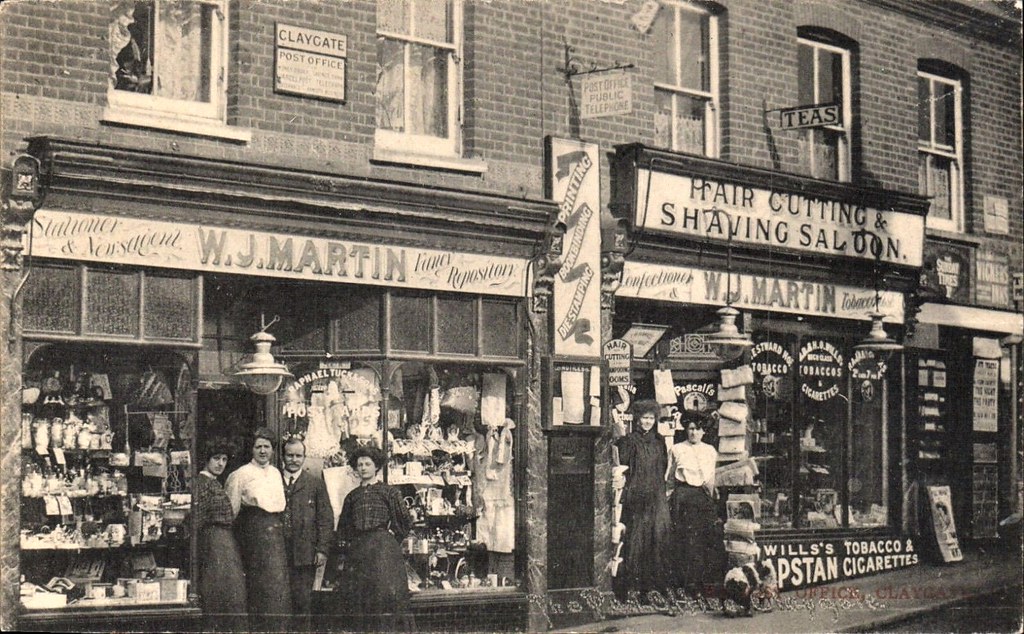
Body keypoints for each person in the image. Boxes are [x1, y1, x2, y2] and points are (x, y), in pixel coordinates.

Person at [332, 444, 414, 631]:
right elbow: (344, 528)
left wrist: (390, 539)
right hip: (359, 551)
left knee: (385, 596)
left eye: (367, 464)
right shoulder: (352, 496)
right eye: (359, 464)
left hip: (384, 551)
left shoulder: (389, 492)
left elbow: (405, 521)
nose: (363, 468)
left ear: (376, 466)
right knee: (361, 598)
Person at [225, 427, 292, 631]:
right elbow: (231, 511)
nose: (263, 451)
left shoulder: (275, 473)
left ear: (273, 450)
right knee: (258, 584)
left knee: (278, 585)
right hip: (253, 532)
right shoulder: (241, 474)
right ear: (252, 450)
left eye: (267, 447)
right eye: (258, 447)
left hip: (275, 532)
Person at [665, 409, 728, 599]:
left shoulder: (710, 451)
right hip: (683, 497)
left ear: (703, 432)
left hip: (703, 498)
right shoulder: (676, 449)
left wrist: (711, 499)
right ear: (686, 429)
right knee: (684, 542)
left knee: (703, 542)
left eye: (698, 429)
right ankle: (684, 586)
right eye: (691, 428)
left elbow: (712, 478)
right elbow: (669, 478)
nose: (694, 432)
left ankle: (701, 586)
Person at [612, 399, 671, 601]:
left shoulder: (660, 441)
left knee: (656, 542)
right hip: (637, 498)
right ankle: (631, 589)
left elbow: (663, 468)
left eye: (651, 418)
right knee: (635, 542)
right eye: (644, 418)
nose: (647, 422)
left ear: (656, 419)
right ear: (637, 419)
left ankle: (650, 589)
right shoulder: (629, 440)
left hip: (656, 497)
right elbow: (622, 465)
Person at [281, 436, 334, 631]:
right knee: (279, 602)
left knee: (303, 603)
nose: (294, 460)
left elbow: (326, 519)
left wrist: (322, 549)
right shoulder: (273, 479)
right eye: (290, 455)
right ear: (282, 457)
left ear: (304, 458)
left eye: (298, 456)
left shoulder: (314, 483)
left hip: (304, 554)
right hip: (278, 552)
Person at [195, 438, 247, 632]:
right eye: (216, 458)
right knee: (220, 591)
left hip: (224, 543)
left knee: (231, 591)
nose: (220, 464)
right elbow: (198, 518)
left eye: (224, 459)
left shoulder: (214, 483)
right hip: (213, 542)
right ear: (206, 460)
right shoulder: (202, 483)